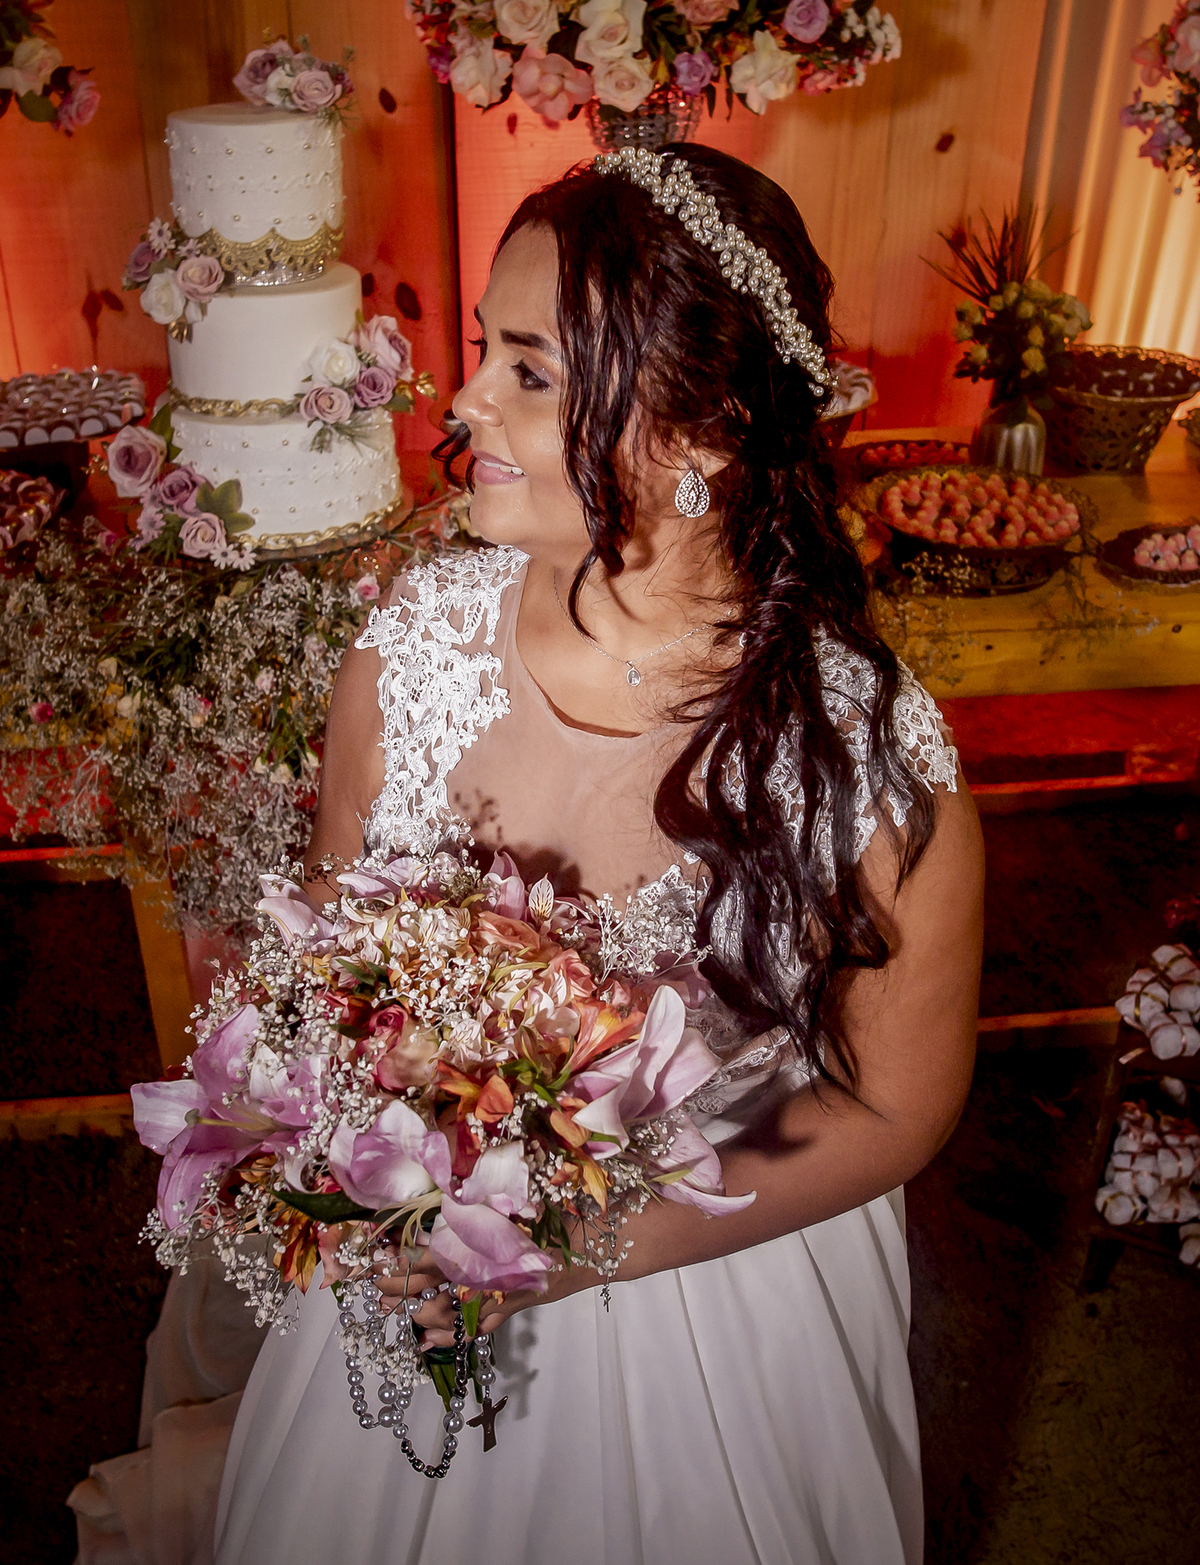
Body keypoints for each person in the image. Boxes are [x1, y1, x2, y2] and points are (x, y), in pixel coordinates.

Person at [214, 144, 983, 1565]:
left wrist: (579, 1247)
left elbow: (900, 1101)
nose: (464, 406)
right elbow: (324, 954)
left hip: (723, 1320)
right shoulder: (408, 650)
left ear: (699, 436)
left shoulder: (862, 754)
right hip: (413, 1271)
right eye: (481, 354)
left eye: (529, 372)